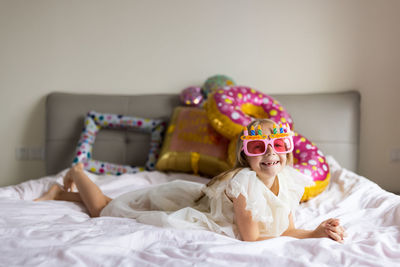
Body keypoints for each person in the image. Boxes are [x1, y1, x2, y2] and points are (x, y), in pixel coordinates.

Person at [36, 118, 346, 242]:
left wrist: (314, 232)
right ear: (245, 156)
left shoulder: (289, 180)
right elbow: (251, 239)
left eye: (277, 146)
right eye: (257, 148)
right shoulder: (246, 185)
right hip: (186, 205)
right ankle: (77, 171)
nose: (269, 155)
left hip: (201, 198)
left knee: (113, 205)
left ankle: (57, 195)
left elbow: (287, 229)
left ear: (288, 151)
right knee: (103, 209)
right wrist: (309, 234)